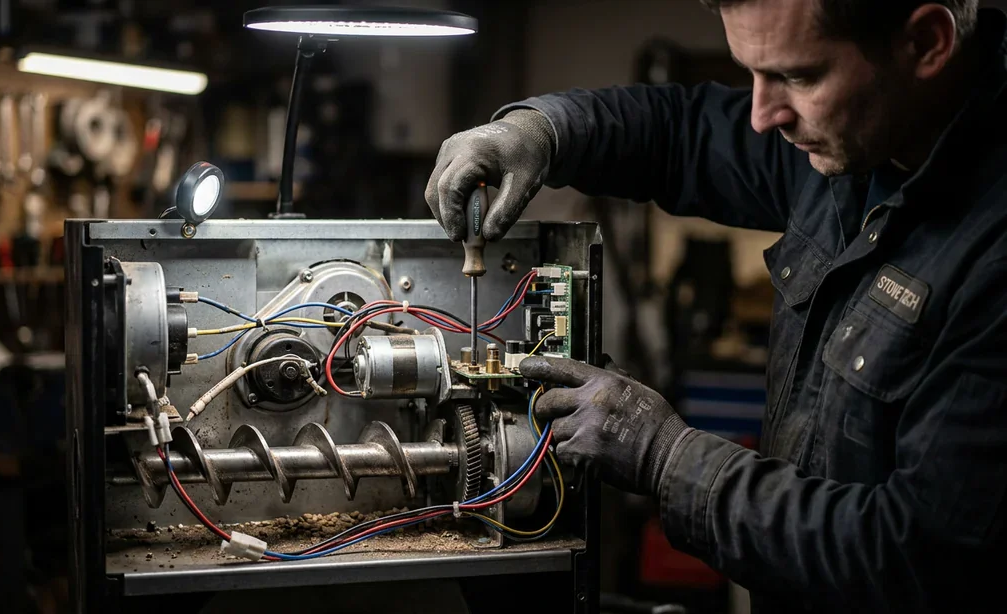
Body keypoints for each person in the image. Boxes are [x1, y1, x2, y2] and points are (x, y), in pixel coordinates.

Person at [425, 1, 1007, 612]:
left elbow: (917, 557)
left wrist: (666, 457)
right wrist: (544, 130)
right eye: (752, 73)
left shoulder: (990, 250)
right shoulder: (865, 136)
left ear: (926, 44)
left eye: (798, 76)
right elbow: (683, 134)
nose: (762, 115)